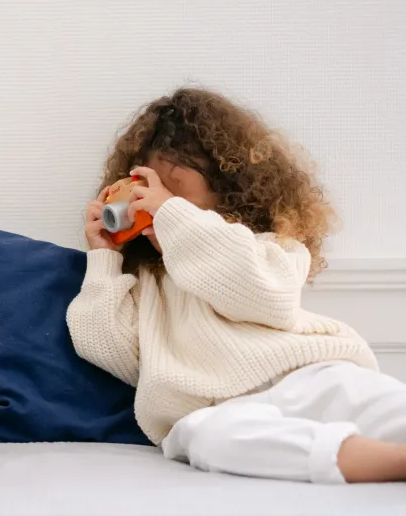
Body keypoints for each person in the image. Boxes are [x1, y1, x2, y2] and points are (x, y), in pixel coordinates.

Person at [66, 87, 401, 484]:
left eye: (174, 191)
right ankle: (377, 461)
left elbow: (266, 296)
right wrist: (104, 257)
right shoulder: (147, 283)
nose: (156, 203)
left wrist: (173, 218)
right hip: (220, 408)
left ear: (224, 187)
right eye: (149, 191)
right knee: (206, 439)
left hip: (305, 372)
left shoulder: (268, 246)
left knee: (370, 398)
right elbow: (110, 349)